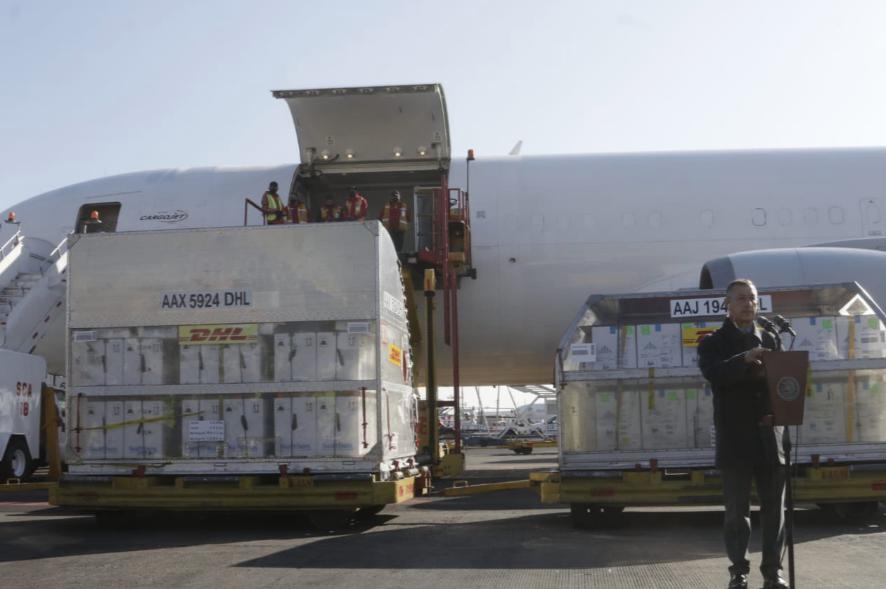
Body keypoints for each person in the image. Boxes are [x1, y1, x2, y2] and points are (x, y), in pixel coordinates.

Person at [698, 279, 788, 589]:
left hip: (769, 436)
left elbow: (781, 382)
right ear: (727, 304)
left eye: (752, 298)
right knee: (737, 512)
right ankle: (739, 570)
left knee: (775, 510)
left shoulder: (772, 337)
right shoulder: (713, 342)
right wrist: (744, 359)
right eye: (740, 299)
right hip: (736, 439)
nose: (748, 304)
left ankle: (773, 571)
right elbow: (714, 373)